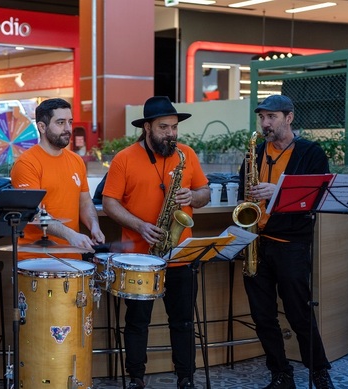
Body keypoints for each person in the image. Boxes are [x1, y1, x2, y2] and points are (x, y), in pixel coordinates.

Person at [102, 96, 210, 389]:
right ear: (147, 127)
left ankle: (186, 378)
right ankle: (136, 378)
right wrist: (139, 225)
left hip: (181, 254)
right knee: (137, 322)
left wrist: (193, 197)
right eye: (164, 127)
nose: (171, 133)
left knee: (184, 322)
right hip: (140, 257)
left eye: (174, 127)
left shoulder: (186, 154)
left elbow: (205, 192)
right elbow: (109, 202)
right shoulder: (125, 158)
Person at [238, 94, 334, 389]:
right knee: (262, 315)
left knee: (298, 311)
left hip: (291, 244)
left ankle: (319, 372)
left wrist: (275, 192)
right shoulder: (254, 152)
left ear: (289, 118)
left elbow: (314, 198)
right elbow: (244, 188)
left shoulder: (310, 153)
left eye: (272, 117)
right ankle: (280, 374)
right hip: (257, 241)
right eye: (262, 118)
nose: (265, 124)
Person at [10, 98, 105, 258]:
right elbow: (35, 213)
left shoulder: (76, 160)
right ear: (42, 127)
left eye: (70, 122)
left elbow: (85, 202)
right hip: (36, 261)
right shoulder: (26, 163)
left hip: (73, 257)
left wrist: (94, 225)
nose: (68, 128)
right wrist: (71, 235)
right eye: (60, 123)